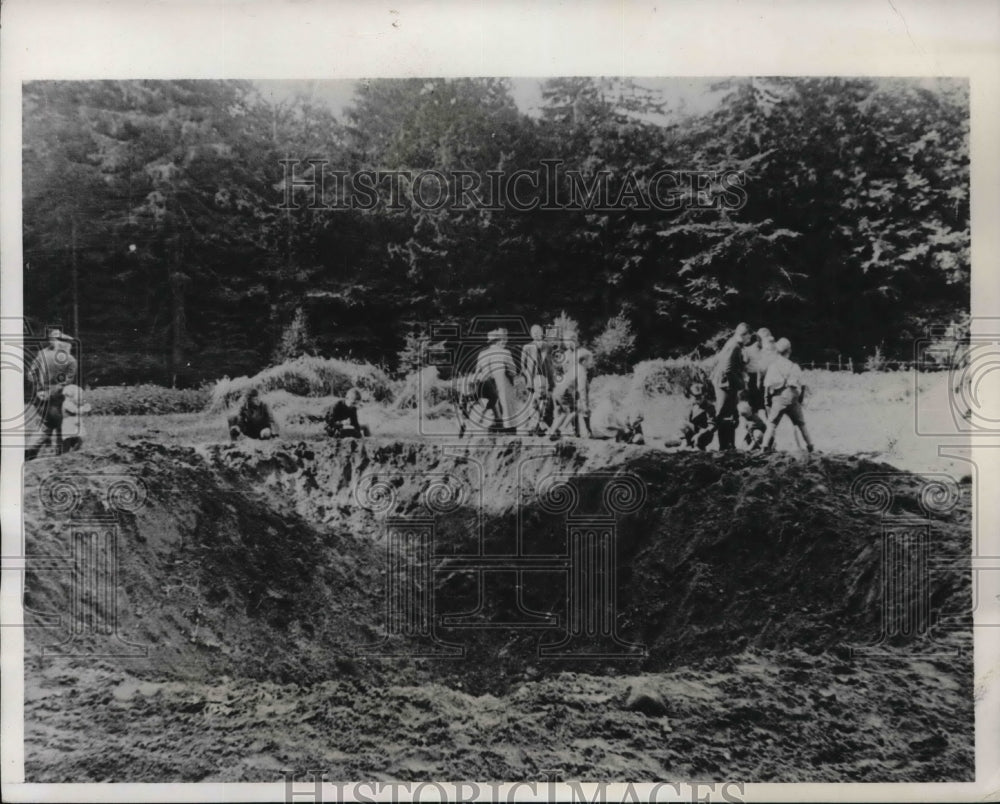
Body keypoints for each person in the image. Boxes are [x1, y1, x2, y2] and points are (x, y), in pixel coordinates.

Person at [25, 328, 78, 460]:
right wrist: (50, 392)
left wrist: (40, 390)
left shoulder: (42, 354)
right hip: (57, 399)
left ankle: (30, 450)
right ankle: (62, 456)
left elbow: (30, 375)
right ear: (66, 345)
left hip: (40, 397)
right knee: (63, 425)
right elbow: (64, 383)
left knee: (45, 424)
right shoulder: (71, 361)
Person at [760, 337, 815, 453]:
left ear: (777, 351)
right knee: (801, 424)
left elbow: (767, 386)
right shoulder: (794, 366)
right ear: (789, 351)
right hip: (793, 397)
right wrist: (799, 399)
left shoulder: (773, 366)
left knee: (771, 424)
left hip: (778, 398)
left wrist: (766, 401)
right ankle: (810, 446)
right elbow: (803, 385)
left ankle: (764, 447)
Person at [709, 322, 753, 450]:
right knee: (723, 414)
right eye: (748, 338)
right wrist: (741, 383)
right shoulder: (735, 346)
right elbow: (728, 369)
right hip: (725, 383)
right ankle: (723, 446)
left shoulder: (733, 343)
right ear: (744, 335)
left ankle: (730, 445)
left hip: (726, 382)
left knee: (730, 414)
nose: (748, 341)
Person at [547, 339, 594, 440]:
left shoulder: (575, 368)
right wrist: (584, 405)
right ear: (584, 361)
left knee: (564, 412)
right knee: (575, 410)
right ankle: (561, 429)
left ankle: (553, 431)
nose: (592, 363)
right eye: (590, 361)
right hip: (564, 392)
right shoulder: (581, 371)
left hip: (557, 391)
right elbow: (582, 390)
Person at [475, 328, 518, 432]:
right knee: (506, 405)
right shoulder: (505, 352)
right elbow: (512, 371)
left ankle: (494, 425)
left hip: (488, 385)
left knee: (493, 405)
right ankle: (508, 428)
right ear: (498, 340)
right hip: (502, 384)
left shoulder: (482, 354)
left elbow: (477, 372)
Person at [520, 324, 555, 435]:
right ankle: (533, 425)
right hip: (532, 377)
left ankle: (543, 422)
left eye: (538, 331)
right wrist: (527, 376)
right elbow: (523, 364)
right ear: (531, 334)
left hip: (545, 376)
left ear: (542, 333)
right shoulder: (527, 347)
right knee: (532, 401)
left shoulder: (548, 346)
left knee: (544, 400)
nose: (536, 334)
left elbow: (551, 362)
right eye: (534, 332)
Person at [744, 327, 777, 415]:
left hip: (766, 378)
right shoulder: (750, 349)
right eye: (763, 340)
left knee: (766, 402)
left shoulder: (770, 349)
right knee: (756, 405)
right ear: (758, 339)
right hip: (753, 379)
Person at [680, 381, 716, 450]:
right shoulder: (690, 406)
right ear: (691, 395)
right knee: (681, 424)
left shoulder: (709, 407)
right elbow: (686, 421)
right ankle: (687, 444)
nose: (698, 399)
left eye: (700, 396)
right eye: (695, 396)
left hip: (704, 433)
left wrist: (700, 434)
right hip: (692, 431)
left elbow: (712, 425)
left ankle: (699, 447)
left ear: (704, 395)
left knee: (698, 443)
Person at [59, 384, 91, 453]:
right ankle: (66, 454)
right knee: (68, 441)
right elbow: (75, 410)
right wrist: (84, 409)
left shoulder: (73, 403)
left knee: (79, 441)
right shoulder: (67, 403)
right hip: (69, 425)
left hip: (75, 424)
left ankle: (73, 452)